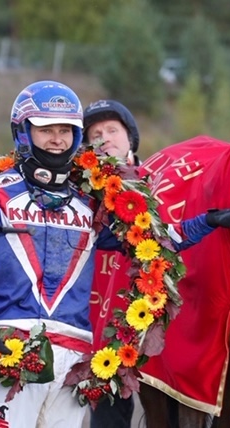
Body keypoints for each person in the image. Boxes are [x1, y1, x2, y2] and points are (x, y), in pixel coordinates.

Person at [0, 80, 230, 428]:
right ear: (23, 131)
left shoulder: (91, 205)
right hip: (12, 349)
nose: (57, 139)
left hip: (75, 359)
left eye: (65, 130)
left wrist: (210, 220)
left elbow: (153, 241)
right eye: (45, 129)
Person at [83, 99, 141, 428]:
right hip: (97, 323)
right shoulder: (78, 190)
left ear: (129, 137)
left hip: (148, 316)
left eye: (112, 130)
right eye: (96, 133)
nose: (105, 138)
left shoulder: (158, 182)